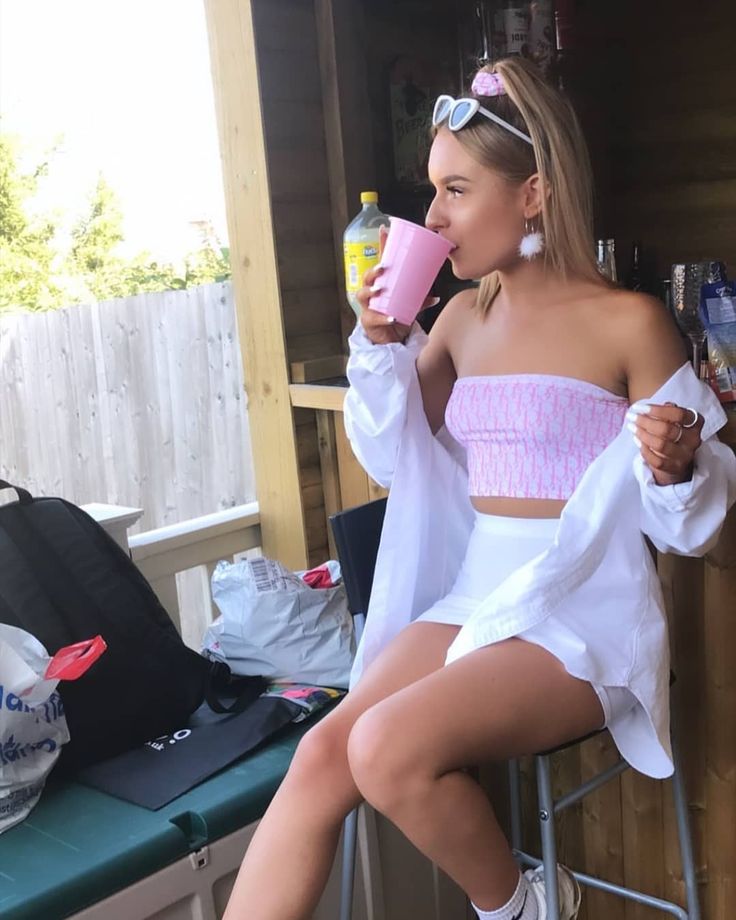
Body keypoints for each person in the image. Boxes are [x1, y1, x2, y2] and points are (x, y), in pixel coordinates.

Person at [223, 57, 736, 920]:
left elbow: (697, 532)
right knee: (319, 758)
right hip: (476, 593)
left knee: (384, 746)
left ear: (532, 193)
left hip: (581, 610)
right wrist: (381, 344)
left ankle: (524, 905)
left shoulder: (631, 322)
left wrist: (675, 464)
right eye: (433, 193)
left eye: (456, 191)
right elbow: (397, 456)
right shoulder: (461, 320)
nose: (431, 218)